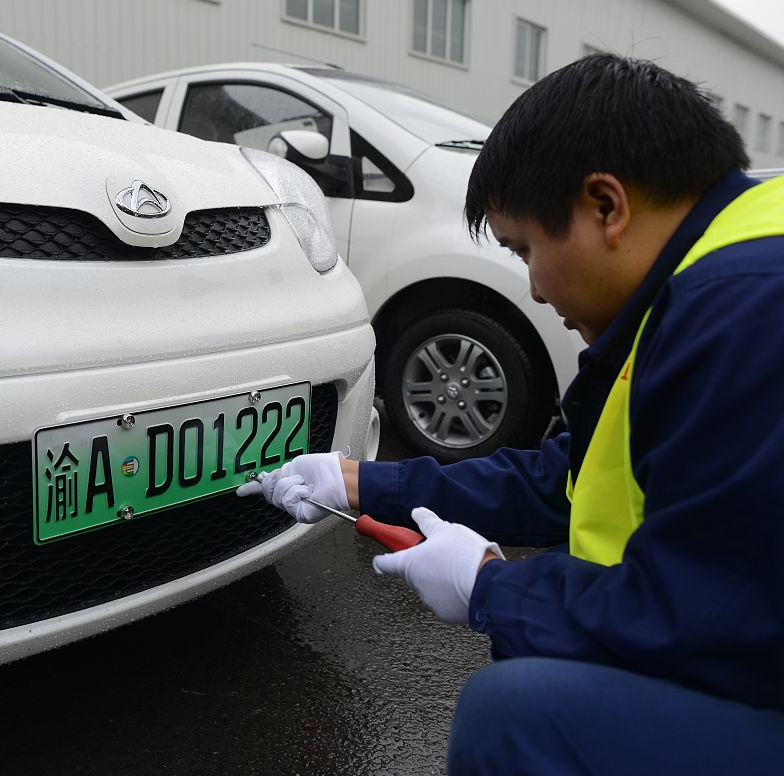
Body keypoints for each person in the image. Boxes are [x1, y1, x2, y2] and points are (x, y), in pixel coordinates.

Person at [238, 53, 784, 774]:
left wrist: (492, 587)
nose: (531, 285)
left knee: (518, 716)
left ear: (605, 207)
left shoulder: (745, 309)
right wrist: (361, 483)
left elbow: (714, 616)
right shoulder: (723, 268)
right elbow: (578, 478)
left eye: (527, 248)